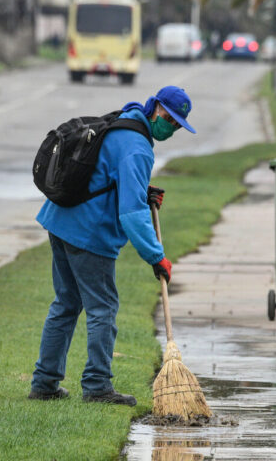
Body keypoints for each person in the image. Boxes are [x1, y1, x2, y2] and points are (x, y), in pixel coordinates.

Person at [29, 86, 196, 406]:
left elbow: (107, 175)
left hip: (61, 220)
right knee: (103, 308)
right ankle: (97, 386)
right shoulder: (138, 147)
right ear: (156, 108)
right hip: (87, 232)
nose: (171, 128)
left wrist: (141, 190)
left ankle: (44, 383)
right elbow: (132, 215)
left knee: (65, 304)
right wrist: (156, 257)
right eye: (169, 119)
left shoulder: (124, 120)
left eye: (177, 125)